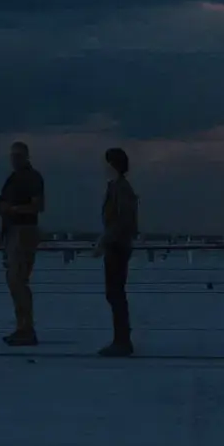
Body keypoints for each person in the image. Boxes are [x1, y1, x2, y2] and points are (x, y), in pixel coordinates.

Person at [0, 141, 45, 346]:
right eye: (13, 156)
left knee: (18, 280)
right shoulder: (14, 179)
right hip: (13, 232)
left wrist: (11, 209)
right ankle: (23, 327)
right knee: (15, 281)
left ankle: (26, 328)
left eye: (18, 156)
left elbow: (37, 206)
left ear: (26, 156)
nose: (15, 159)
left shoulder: (32, 177)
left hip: (23, 232)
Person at [94, 147, 138, 357]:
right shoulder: (116, 187)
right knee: (114, 293)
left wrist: (104, 241)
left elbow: (123, 220)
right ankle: (121, 339)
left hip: (117, 246)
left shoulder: (121, 188)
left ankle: (122, 341)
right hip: (116, 244)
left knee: (115, 293)